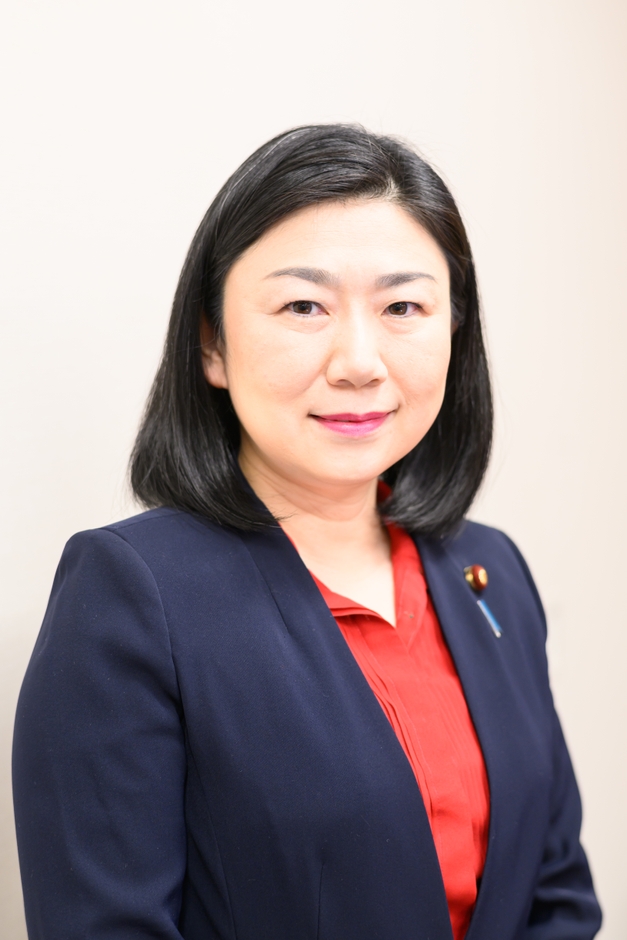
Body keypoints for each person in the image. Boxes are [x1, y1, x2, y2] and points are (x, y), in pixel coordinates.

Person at [12, 125, 602, 940]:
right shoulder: (132, 593)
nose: (359, 361)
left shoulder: (486, 568)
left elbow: (555, 892)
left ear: (454, 332)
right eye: (303, 306)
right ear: (212, 344)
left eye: (403, 307)